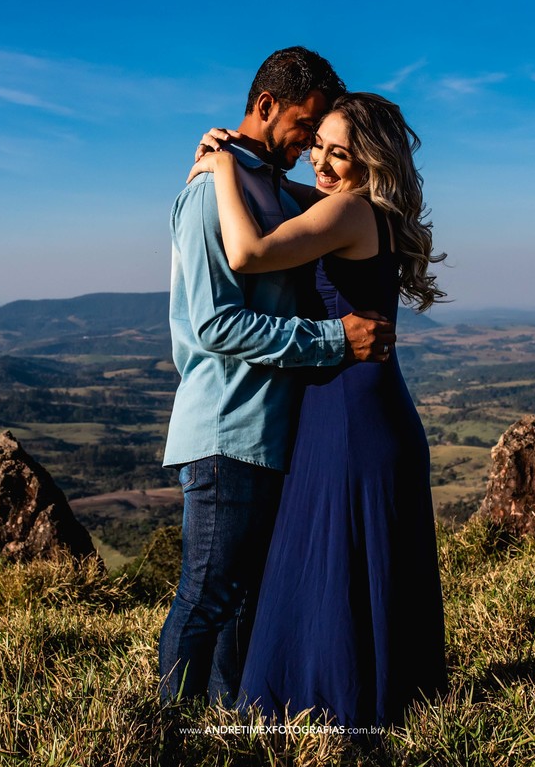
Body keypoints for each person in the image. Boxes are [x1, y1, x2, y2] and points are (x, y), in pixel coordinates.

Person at [187, 92, 448, 728]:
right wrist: (249, 167)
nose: (322, 163)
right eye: (318, 146)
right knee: (349, 562)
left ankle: (342, 709)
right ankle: (367, 702)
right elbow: (297, 198)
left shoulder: (351, 214)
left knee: (338, 561)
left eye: (341, 153)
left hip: (353, 414)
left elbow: (248, 253)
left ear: (371, 162)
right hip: (358, 405)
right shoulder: (361, 211)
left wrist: (222, 165)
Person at [158, 48, 396, 706]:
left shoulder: (263, 184)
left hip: (267, 431)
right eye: (305, 127)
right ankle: (170, 734)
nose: (310, 146)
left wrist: (230, 158)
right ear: (266, 107)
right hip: (225, 430)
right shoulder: (213, 192)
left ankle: (233, 725)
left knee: (244, 601)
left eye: (323, 136)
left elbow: (331, 201)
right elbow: (216, 326)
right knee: (206, 599)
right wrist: (331, 339)